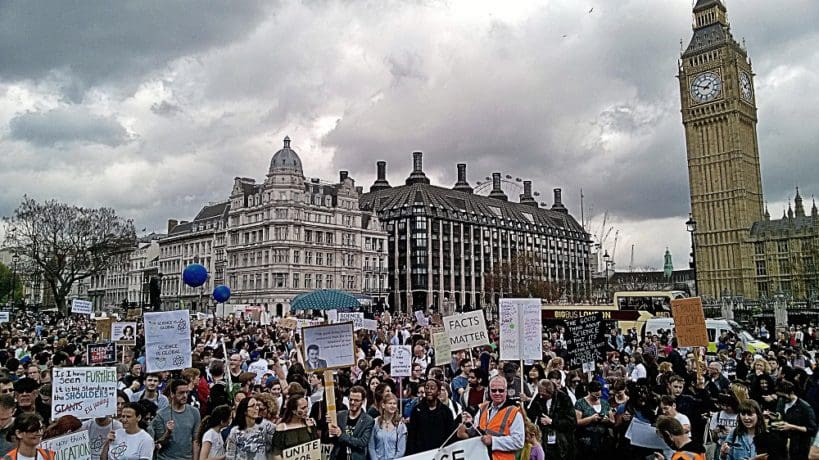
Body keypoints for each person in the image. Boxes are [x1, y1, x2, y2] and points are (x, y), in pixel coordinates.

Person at [458, 375, 525, 460]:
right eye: (494, 390)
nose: (497, 393)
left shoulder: (514, 412)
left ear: (506, 391)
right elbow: (477, 433)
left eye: (501, 390)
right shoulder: (483, 408)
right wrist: (468, 426)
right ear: (489, 391)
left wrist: (493, 441)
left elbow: (518, 442)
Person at [526, 379, 575, 460]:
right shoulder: (538, 398)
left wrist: (552, 422)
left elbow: (571, 422)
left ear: (550, 392)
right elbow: (530, 415)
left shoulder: (564, 399)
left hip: (561, 443)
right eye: (540, 393)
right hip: (543, 441)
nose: (541, 396)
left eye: (543, 394)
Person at [153, 379, 202, 460]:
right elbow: (160, 442)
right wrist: (168, 432)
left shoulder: (194, 412)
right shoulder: (161, 414)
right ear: (172, 394)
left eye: (187, 392)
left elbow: (195, 440)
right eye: (181, 393)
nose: (185, 395)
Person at [407, 379, 457, 454]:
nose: (429, 391)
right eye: (427, 388)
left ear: (439, 392)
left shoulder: (446, 411)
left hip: (440, 453)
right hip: (421, 453)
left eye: (432, 388)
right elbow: (412, 435)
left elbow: (450, 436)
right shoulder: (417, 410)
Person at [771, 379, 817, 460]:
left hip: (799, 448)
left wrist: (792, 427)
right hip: (782, 444)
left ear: (791, 393)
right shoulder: (781, 402)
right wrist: (772, 416)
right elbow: (779, 417)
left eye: (783, 396)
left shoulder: (805, 408)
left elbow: (812, 430)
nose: (781, 398)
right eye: (779, 396)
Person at [328, 385, 374, 460]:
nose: (352, 402)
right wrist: (329, 424)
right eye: (351, 399)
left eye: (356, 400)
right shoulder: (340, 415)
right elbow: (331, 438)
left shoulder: (368, 420)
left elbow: (362, 443)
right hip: (338, 457)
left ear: (363, 401)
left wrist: (341, 435)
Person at [574, 380, 614, 457]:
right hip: (586, 441)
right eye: (595, 396)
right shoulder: (580, 403)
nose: (597, 398)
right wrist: (591, 419)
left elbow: (613, 421)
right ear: (589, 392)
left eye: (599, 396)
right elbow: (577, 422)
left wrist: (607, 420)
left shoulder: (605, 403)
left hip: (603, 441)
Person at [368, 393, 407, 460]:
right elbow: (371, 446)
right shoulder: (375, 423)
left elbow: (401, 451)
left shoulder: (401, 426)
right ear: (383, 405)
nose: (392, 406)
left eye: (394, 403)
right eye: (390, 403)